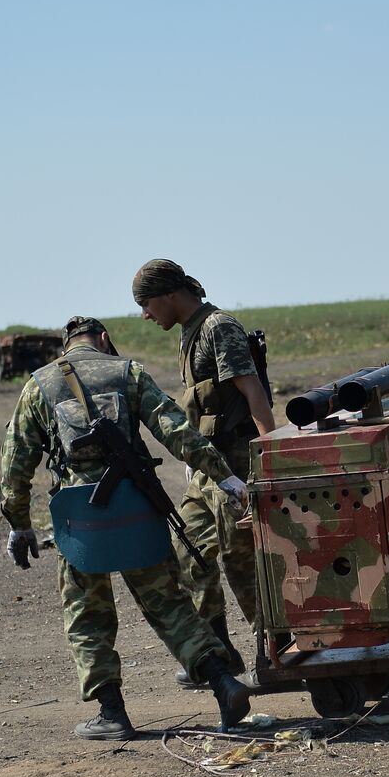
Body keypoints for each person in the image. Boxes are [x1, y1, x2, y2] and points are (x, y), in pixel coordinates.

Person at [0, 316, 253, 739]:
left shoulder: (38, 385)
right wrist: (224, 475)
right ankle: (224, 685)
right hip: (136, 510)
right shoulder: (127, 372)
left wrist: (19, 525)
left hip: (81, 522)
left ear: (65, 347)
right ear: (103, 340)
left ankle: (112, 713)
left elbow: (15, 463)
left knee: (86, 613)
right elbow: (176, 430)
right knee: (170, 604)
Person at [132, 260, 276, 686]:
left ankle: (276, 656)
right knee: (190, 555)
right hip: (206, 470)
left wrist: (270, 462)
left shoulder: (218, 328)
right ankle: (218, 653)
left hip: (237, 464)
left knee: (243, 562)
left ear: (170, 295)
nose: (145, 315)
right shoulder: (188, 332)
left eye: (146, 304)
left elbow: (253, 392)